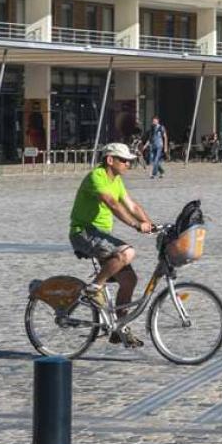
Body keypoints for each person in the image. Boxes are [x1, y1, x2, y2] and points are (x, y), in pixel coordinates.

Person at [68, 142, 157, 346]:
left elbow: (131, 205)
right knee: (126, 252)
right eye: (124, 160)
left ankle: (119, 328)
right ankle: (94, 287)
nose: (128, 164)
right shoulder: (97, 177)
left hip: (101, 235)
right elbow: (112, 203)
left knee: (129, 281)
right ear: (110, 160)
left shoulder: (116, 180)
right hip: (83, 232)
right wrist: (136, 225)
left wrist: (150, 224)